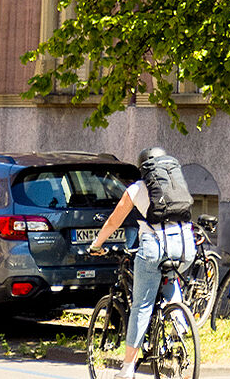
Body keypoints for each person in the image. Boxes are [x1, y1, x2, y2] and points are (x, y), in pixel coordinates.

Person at [87, 147, 197, 379]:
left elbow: (113, 221)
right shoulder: (176, 185)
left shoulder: (136, 189)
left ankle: (128, 367)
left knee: (142, 306)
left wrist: (97, 244)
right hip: (186, 248)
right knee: (170, 278)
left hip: (155, 248)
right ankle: (178, 325)